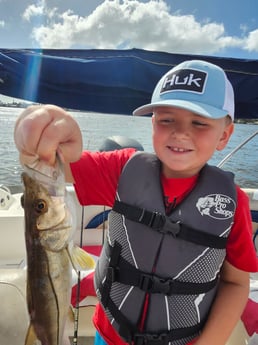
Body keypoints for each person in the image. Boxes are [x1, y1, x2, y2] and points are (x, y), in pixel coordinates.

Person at [14, 60, 258, 345]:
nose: (180, 132)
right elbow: (44, 162)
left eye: (199, 122)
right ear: (152, 123)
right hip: (110, 334)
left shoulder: (232, 203)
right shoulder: (120, 169)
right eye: (166, 119)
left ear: (224, 136)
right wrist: (38, 124)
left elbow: (236, 282)